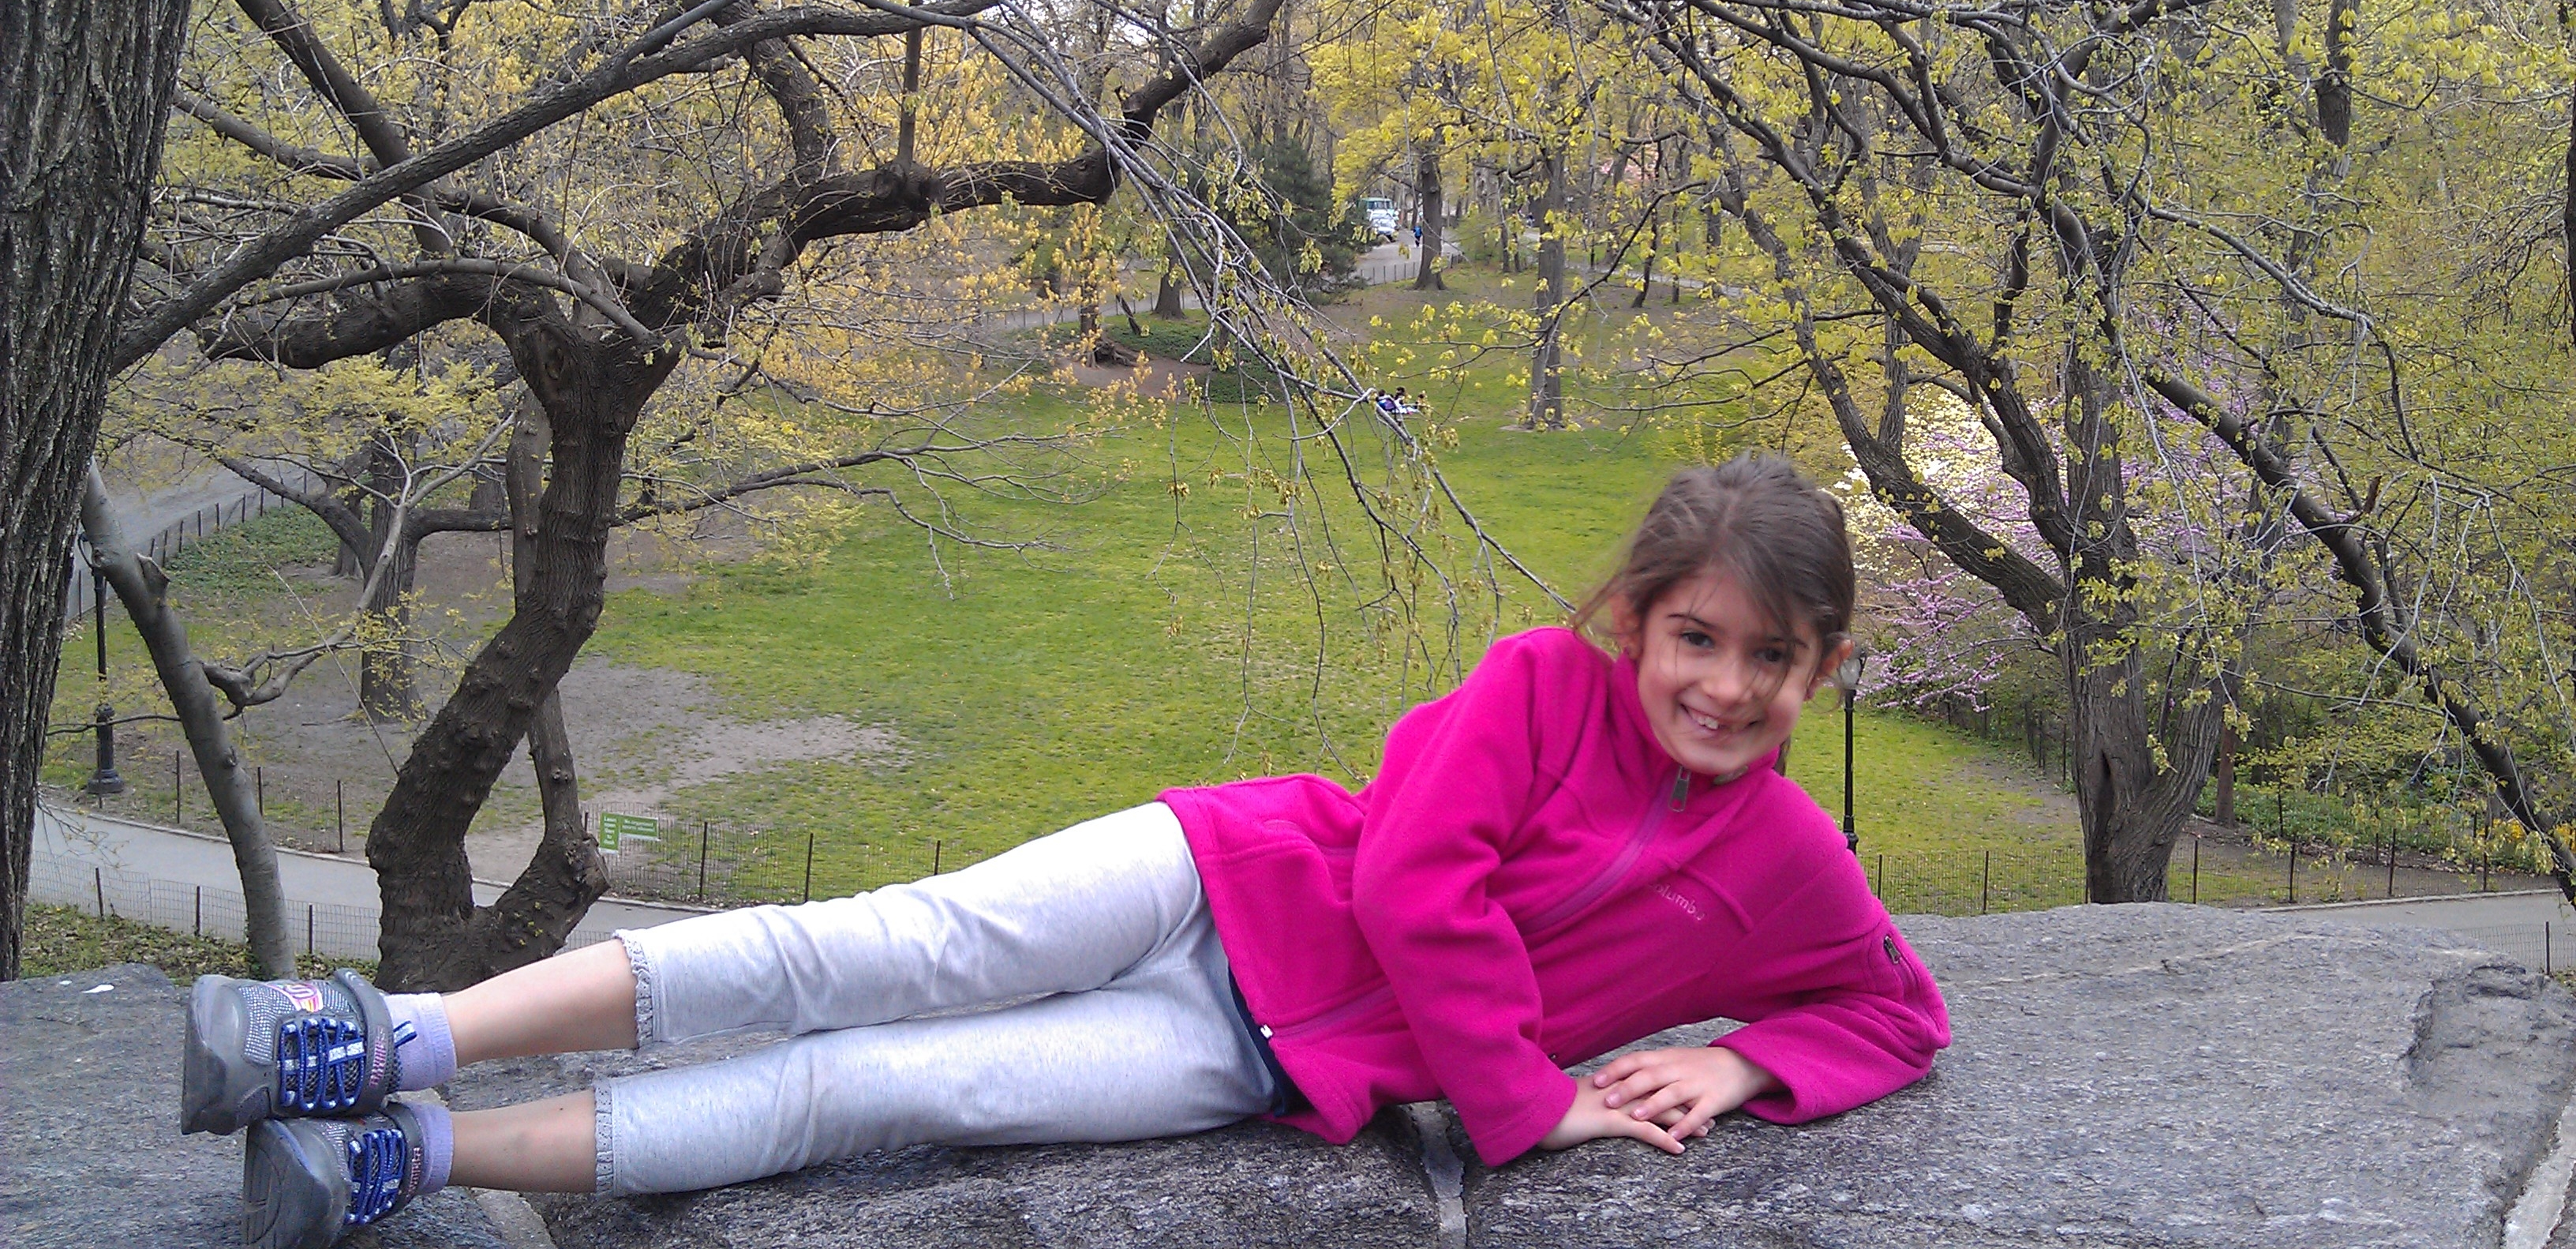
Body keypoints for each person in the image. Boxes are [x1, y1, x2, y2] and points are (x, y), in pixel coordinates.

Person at [182, 454, 1948, 1249]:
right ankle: (386, 1033)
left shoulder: (1791, 857)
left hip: (1248, 1059)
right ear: (1636, 621)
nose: (1726, 686)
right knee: (867, 948)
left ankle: (412, 1157)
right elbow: (1415, 883)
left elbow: (1897, 1008)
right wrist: (1525, 1098)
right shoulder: (1534, 687)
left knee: (874, 1092)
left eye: (1770, 657)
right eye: (1696, 638)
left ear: (1824, 667)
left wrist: (1737, 1059)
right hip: (1220, 874)